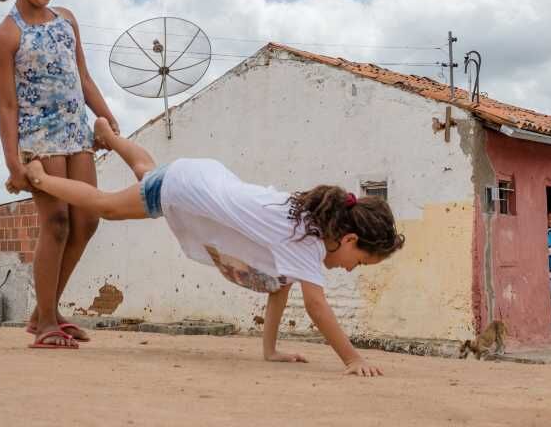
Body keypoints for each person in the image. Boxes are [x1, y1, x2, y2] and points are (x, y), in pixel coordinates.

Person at [24, 118, 406, 376]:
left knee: (148, 174)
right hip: (187, 190)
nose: (354, 269)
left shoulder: (304, 222)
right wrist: (352, 359)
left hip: (202, 175)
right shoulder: (305, 242)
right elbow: (316, 306)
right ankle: (40, 178)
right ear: (351, 239)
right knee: (108, 206)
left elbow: (280, 288)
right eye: (361, 261)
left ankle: (109, 137)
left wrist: (270, 351)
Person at [0, 0, 120, 349]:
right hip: (38, 141)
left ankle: (44, 311)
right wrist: (13, 162)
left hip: (76, 132)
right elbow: (7, 105)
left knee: (88, 220)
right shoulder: (7, 35)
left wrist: (106, 116)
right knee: (57, 223)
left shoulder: (67, 20)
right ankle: (46, 321)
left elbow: (83, 78)